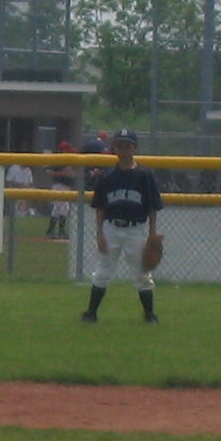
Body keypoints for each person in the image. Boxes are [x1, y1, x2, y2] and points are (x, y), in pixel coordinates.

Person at [84, 129, 161, 325]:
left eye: (127, 146)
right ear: (114, 148)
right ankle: (91, 313)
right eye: (119, 146)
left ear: (135, 148)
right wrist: (99, 234)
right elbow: (100, 207)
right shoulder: (107, 176)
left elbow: (153, 207)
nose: (123, 150)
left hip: (135, 229)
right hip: (111, 229)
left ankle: (150, 315)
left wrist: (152, 234)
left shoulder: (144, 175)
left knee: (142, 273)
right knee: (102, 271)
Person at [43, 137, 76, 239]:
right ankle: (60, 232)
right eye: (67, 150)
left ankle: (50, 232)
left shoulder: (69, 160)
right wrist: (63, 173)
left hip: (67, 186)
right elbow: (49, 172)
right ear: (63, 150)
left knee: (58, 209)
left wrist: (72, 174)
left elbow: (73, 174)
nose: (69, 152)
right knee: (64, 208)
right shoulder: (58, 159)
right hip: (59, 186)